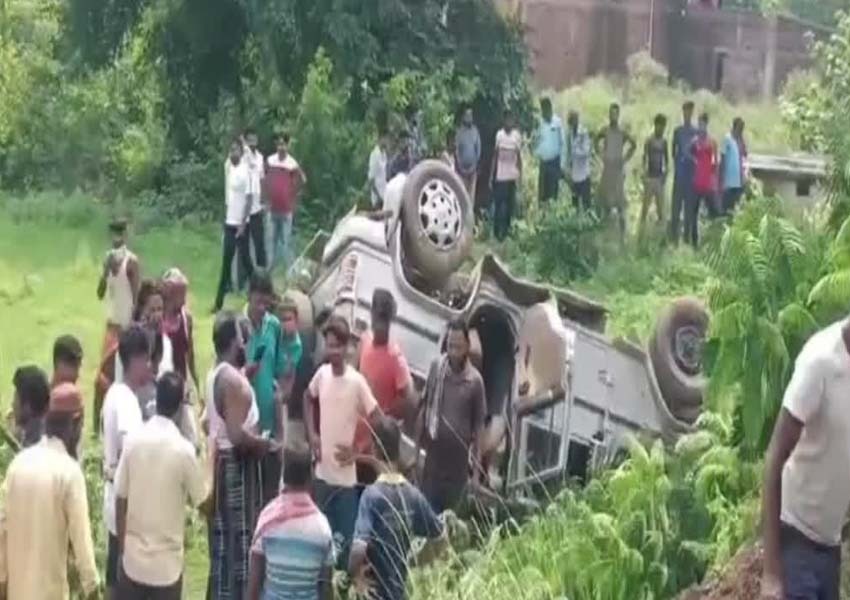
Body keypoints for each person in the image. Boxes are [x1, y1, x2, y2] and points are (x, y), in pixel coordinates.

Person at [760, 318, 850, 600]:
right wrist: (772, 573)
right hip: (795, 539)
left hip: (830, 547)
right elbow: (774, 457)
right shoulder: (820, 361)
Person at [0, 383, 99, 600]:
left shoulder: (17, 465)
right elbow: (83, 548)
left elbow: (2, 534)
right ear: (76, 423)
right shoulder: (70, 473)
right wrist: (93, 591)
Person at [115, 372, 206, 600]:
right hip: (166, 570)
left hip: (133, 563)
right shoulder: (184, 451)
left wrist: (123, 548)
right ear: (179, 409)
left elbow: (120, 498)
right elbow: (203, 502)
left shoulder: (133, 441)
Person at [207, 311, 277, 600]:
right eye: (241, 335)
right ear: (233, 341)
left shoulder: (218, 373)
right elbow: (236, 435)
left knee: (225, 546)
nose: (245, 341)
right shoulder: (232, 383)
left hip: (224, 466)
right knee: (237, 548)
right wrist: (263, 444)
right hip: (236, 470)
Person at [303, 315, 382, 568]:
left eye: (338, 345)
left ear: (348, 347)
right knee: (320, 544)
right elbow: (307, 396)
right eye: (329, 345)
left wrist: (359, 451)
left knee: (345, 546)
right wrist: (312, 434)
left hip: (346, 482)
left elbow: (378, 419)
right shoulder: (322, 375)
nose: (333, 351)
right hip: (322, 476)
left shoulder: (356, 382)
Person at [349, 417, 446, 600]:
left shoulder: (372, 496)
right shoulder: (413, 495)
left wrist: (356, 578)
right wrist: (417, 561)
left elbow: (358, 550)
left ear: (375, 449)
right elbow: (441, 538)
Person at [419, 318, 487, 514]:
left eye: (458, 346)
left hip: (457, 472)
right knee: (427, 521)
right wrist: (416, 455)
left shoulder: (475, 382)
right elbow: (425, 407)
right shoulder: (436, 369)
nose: (453, 351)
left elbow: (478, 430)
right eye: (450, 346)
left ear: (467, 346)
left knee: (450, 525)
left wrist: (475, 475)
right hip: (432, 467)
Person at [247, 449, 334, 600]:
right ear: (310, 479)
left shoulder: (268, 519)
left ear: (283, 478)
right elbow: (325, 588)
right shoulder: (322, 526)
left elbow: (254, 584)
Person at [102, 325, 150, 600]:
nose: (149, 367)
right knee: (123, 577)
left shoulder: (114, 394)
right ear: (136, 359)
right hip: (124, 503)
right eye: (147, 360)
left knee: (114, 571)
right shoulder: (127, 402)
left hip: (114, 496)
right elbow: (133, 454)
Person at [356, 289, 416, 483]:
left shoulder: (395, 357)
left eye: (384, 320)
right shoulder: (364, 341)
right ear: (371, 314)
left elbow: (409, 396)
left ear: (391, 320)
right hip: (357, 439)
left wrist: (385, 414)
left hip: (376, 449)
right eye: (377, 317)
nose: (380, 325)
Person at [244, 272, 290, 504]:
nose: (262, 308)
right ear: (248, 296)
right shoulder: (237, 326)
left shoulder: (273, 326)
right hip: (245, 424)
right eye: (258, 302)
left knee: (270, 495)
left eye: (266, 303)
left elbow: (281, 370)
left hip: (270, 423)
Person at [95, 217, 141, 436]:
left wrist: (134, 325)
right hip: (111, 325)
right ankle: (98, 425)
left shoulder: (131, 262)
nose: (117, 238)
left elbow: (136, 295)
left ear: (125, 235)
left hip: (125, 327)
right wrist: (105, 273)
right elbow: (100, 293)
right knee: (102, 379)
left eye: (120, 233)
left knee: (122, 378)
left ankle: (121, 424)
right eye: (114, 233)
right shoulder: (107, 259)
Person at [214, 139, 254, 312]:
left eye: (236, 150)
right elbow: (228, 199)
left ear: (241, 152)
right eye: (230, 150)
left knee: (247, 263)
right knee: (226, 263)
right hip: (230, 223)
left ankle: (262, 294)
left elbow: (249, 198)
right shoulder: (229, 168)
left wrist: (243, 223)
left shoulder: (246, 171)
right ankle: (218, 303)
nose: (232, 153)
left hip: (241, 225)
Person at [595, 103, 636, 242]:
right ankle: (605, 237)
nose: (613, 116)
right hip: (607, 170)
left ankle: (622, 238)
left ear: (618, 115)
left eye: (615, 113)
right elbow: (596, 139)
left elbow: (633, 144)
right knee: (605, 204)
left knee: (620, 205)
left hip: (617, 170)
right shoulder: (605, 130)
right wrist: (601, 154)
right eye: (611, 113)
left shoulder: (622, 132)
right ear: (609, 114)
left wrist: (625, 159)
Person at [266, 133, 306, 271]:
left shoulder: (292, 163)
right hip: (272, 209)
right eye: (279, 144)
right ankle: (269, 270)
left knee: (285, 242)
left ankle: (290, 271)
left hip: (286, 210)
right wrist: (266, 198)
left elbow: (303, 180)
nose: (281, 147)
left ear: (288, 146)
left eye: (283, 144)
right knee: (270, 241)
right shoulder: (270, 161)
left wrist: (293, 196)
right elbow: (264, 178)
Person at [162, 268, 199, 391]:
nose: (184, 301)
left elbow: (190, 354)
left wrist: (196, 383)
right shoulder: (158, 319)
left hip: (180, 385)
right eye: (181, 295)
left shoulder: (186, 319)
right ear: (169, 295)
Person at [686, 112, 719, 248]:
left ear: (706, 124)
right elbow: (686, 152)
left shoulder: (711, 141)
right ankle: (694, 244)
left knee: (713, 214)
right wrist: (694, 160)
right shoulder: (694, 141)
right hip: (696, 183)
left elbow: (716, 162)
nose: (701, 126)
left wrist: (714, 178)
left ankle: (712, 242)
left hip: (708, 184)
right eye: (699, 124)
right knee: (694, 215)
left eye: (703, 124)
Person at [489, 109, 523, 242]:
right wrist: (491, 176)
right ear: (504, 120)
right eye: (507, 119)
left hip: (511, 176)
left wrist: (520, 176)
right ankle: (497, 233)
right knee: (499, 206)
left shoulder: (516, 136)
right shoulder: (499, 135)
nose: (509, 122)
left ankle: (507, 233)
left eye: (511, 119)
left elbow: (519, 158)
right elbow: (495, 156)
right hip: (500, 176)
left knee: (509, 206)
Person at [671, 101, 698, 243]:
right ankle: (673, 239)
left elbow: (698, 154)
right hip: (679, 175)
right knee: (675, 208)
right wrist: (677, 164)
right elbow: (673, 151)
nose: (687, 114)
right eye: (685, 111)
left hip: (690, 176)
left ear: (692, 112)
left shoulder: (695, 132)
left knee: (688, 209)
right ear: (683, 112)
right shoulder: (678, 131)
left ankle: (686, 240)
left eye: (689, 111)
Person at [640, 114, 669, 236]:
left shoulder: (664, 142)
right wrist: (644, 175)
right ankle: (640, 235)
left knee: (661, 211)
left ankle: (661, 237)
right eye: (660, 126)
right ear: (655, 125)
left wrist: (665, 175)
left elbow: (666, 160)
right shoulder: (649, 140)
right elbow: (644, 158)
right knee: (645, 210)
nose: (661, 129)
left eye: (663, 127)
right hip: (650, 178)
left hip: (659, 178)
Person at [243, 127, 268, 271]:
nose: (253, 142)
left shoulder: (259, 157)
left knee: (260, 244)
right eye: (249, 139)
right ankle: (244, 279)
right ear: (246, 141)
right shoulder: (243, 156)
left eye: (255, 139)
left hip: (256, 208)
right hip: (243, 208)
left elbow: (262, 179)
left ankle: (262, 275)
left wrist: (263, 200)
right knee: (243, 245)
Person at [534, 97, 565, 205]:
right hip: (543, 163)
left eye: (545, 109)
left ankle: (552, 216)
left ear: (550, 108)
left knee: (553, 193)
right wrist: (537, 153)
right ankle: (542, 216)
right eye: (542, 109)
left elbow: (562, 143)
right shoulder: (539, 123)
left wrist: (562, 164)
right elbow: (536, 141)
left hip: (554, 162)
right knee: (542, 193)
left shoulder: (557, 122)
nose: (543, 112)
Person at [11, 365, 50, 448]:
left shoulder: (30, 446)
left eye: (16, 398)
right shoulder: (48, 431)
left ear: (27, 406)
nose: (12, 404)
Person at [720, 117, 747, 215]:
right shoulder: (727, 138)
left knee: (736, 208)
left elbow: (744, 155)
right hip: (728, 180)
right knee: (726, 207)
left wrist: (742, 141)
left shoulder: (740, 141)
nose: (741, 131)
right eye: (739, 128)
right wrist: (721, 178)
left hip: (739, 180)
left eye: (742, 129)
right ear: (735, 127)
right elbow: (722, 157)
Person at [566, 110, 592, 212]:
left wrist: (575, 152)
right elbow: (569, 153)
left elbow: (586, 152)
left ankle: (588, 223)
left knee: (586, 204)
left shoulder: (583, 133)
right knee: (575, 204)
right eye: (571, 122)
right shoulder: (569, 134)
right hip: (574, 174)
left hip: (584, 173)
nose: (572, 124)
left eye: (574, 120)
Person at [455, 106, 481, 201]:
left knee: (471, 196)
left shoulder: (475, 131)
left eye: (471, 115)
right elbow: (456, 150)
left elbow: (478, 150)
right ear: (463, 117)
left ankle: (470, 215)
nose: (469, 117)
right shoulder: (459, 132)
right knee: (462, 194)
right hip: (461, 170)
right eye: (467, 115)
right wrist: (460, 167)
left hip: (473, 169)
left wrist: (474, 166)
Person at [368, 130, 390, 209]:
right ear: (381, 139)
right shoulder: (374, 155)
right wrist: (378, 197)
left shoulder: (384, 154)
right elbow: (371, 180)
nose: (388, 142)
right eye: (386, 139)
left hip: (384, 194)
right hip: (378, 198)